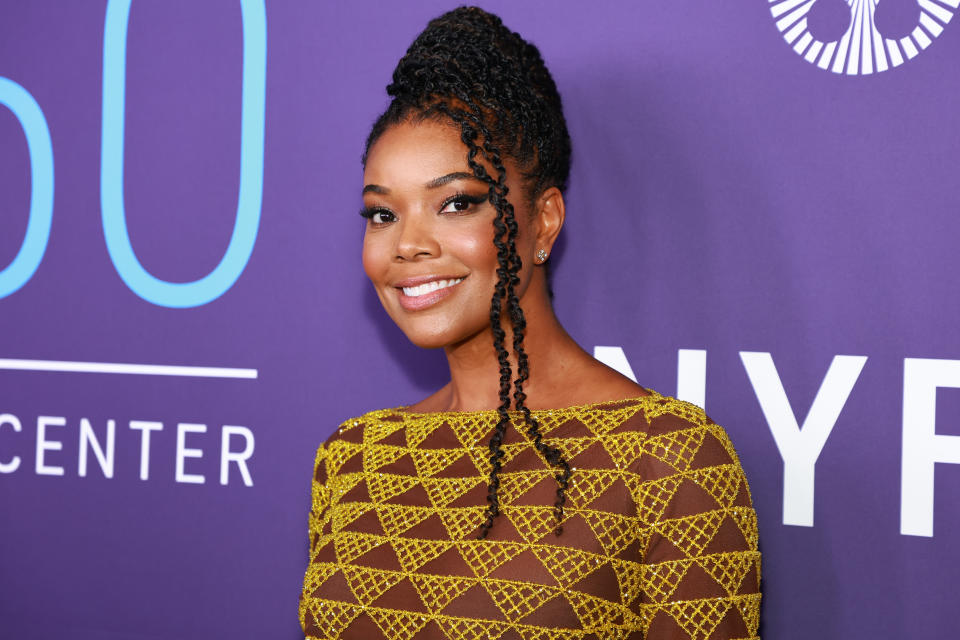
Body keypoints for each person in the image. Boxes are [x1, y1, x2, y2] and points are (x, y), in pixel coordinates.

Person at [300, 7, 761, 639]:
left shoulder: (666, 459)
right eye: (382, 214)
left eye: (457, 203)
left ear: (543, 219)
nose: (406, 245)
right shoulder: (352, 458)